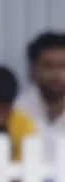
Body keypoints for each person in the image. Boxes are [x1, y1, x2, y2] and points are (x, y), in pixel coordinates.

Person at [17, 30, 65, 158]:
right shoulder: (17, 109)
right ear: (32, 70)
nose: (56, 75)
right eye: (48, 66)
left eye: (63, 66)